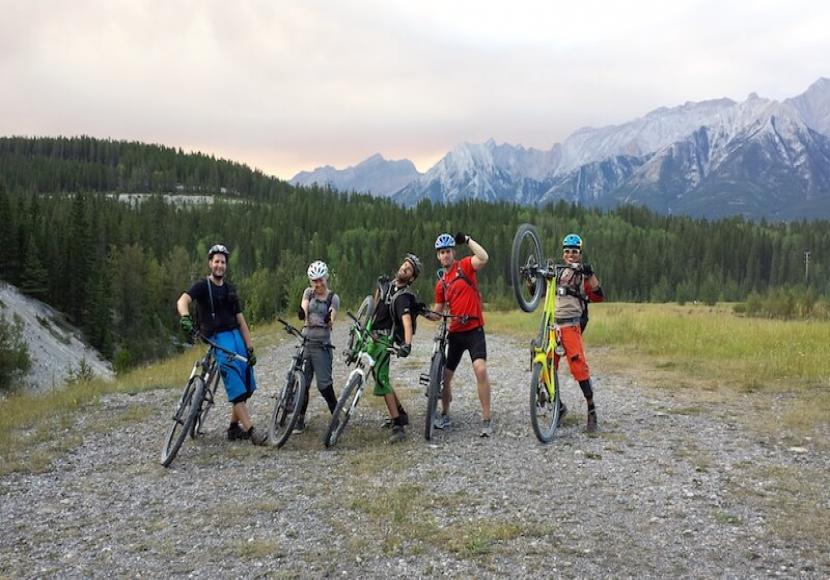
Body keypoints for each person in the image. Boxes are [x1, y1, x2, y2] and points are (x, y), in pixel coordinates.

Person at [176, 244, 267, 445]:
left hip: (235, 336)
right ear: (210, 263)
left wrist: (250, 348)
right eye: (216, 261)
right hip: (216, 338)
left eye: (223, 262)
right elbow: (182, 301)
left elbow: (241, 320)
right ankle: (251, 431)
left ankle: (234, 428)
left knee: (247, 382)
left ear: (226, 265)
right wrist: (185, 317)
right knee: (235, 385)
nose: (219, 265)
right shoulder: (201, 286)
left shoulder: (230, 290)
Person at [429, 232, 493, 437]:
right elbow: (437, 313)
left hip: (474, 329)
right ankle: (445, 414)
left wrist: (467, 240)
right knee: (445, 377)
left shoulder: (464, 266)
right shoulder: (441, 284)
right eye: (441, 253)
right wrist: (420, 311)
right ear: (438, 256)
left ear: (453, 253)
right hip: (455, 333)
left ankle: (486, 419)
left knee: (480, 370)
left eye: (447, 251)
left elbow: (483, 258)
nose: (445, 255)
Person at [366, 253, 423, 444]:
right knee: (376, 373)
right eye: (403, 265)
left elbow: (406, 323)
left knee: (381, 379)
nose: (404, 268)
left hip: (385, 340)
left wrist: (407, 344)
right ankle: (401, 413)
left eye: (408, 269)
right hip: (373, 335)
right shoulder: (387, 285)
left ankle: (397, 424)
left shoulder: (404, 297)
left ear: (412, 278)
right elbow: (374, 307)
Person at [553, 233, 605, 432]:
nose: (570, 255)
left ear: (580, 253)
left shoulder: (582, 274)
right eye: (567, 252)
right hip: (553, 325)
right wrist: (531, 281)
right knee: (547, 365)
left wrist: (590, 274)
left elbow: (599, 296)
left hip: (572, 324)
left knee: (579, 367)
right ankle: (557, 407)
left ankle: (591, 409)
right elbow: (536, 293)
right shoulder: (556, 272)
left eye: (574, 252)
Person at [294, 260, 340, 434]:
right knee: (303, 382)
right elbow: (304, 306)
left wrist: (330, 319)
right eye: (314, 281)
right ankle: (299, 419)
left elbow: (333, 314)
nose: (318, 284)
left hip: (322, 346)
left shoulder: (333, 297)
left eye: (321, 280)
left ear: (326, 278)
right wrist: (302, 312)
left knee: (324, 385)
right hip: (306, 342)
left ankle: (335, 416)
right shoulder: (309, 293)